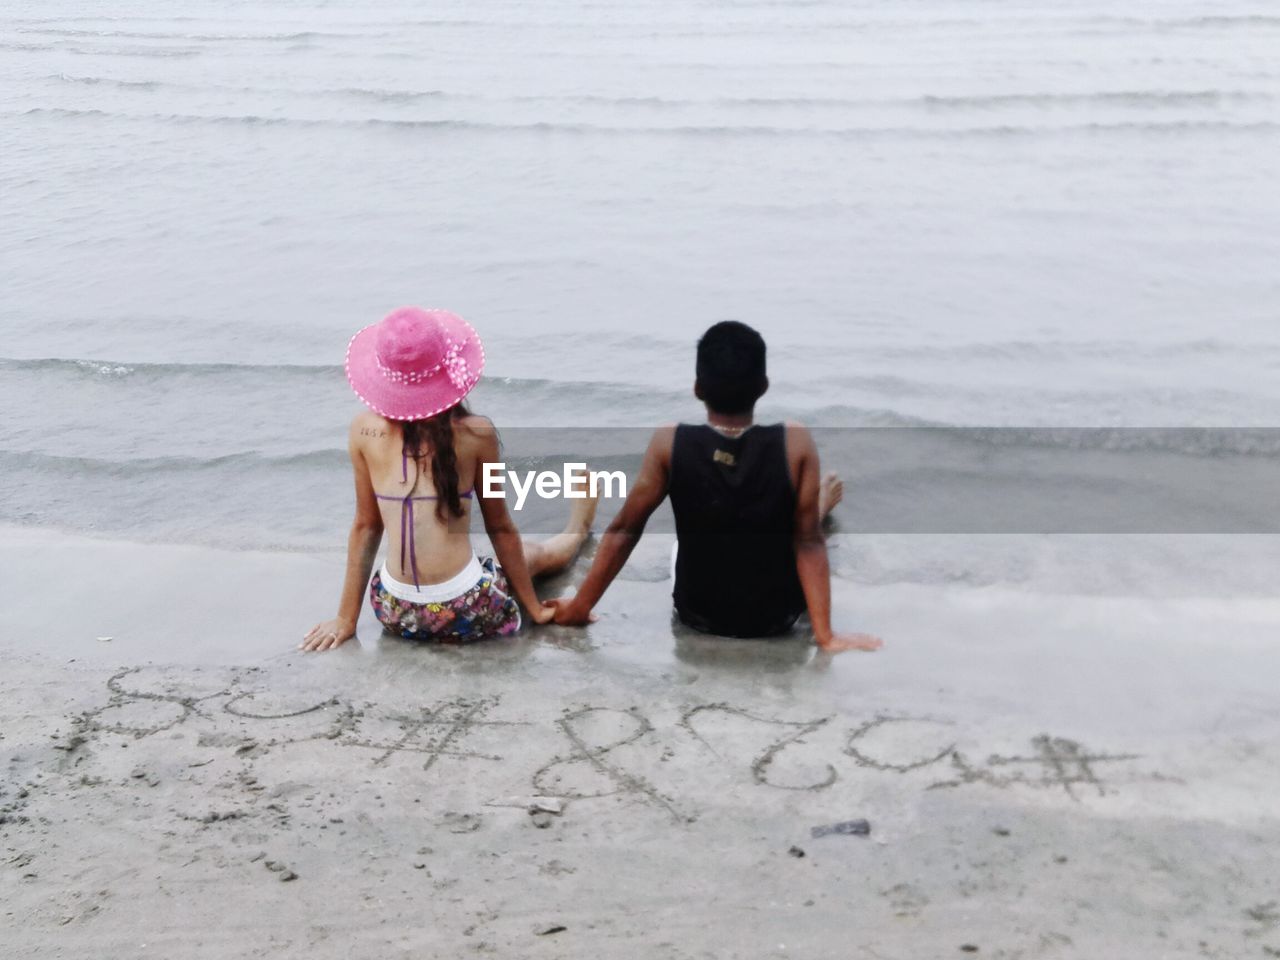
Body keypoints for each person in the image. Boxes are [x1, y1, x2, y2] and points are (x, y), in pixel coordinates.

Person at [551, 320, 881, 654]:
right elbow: (809, 542)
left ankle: (818, 502)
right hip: (778, 619)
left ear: (697, 388)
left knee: (688, 538)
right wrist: (826, 636)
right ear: (764, 386)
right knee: (802, 528)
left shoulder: (670, 442)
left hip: (699, 616)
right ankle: (818, 503)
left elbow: (624, 530)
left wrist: (579, 607)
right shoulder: (795, 441)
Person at [303, 306, 596, 651]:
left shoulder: (363, 431)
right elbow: (499, 527)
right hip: (466, 610)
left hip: (395, 611)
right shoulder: (476, 434)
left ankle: (576, 526)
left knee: (496, 561)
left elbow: (366, 527)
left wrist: (346, 619)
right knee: (532, 556)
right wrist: (534, 610)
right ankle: (577, 529)